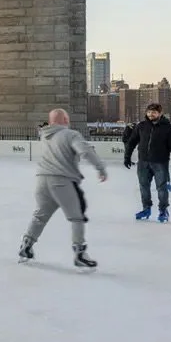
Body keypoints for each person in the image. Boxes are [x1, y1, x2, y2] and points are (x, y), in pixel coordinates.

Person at [19, 108, 107, 269]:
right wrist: (100, 168)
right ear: (65, 120)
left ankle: (26, 244)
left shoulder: (44, 136)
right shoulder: (71, 135)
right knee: (77, 217)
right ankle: (80, 253)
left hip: (42, 181)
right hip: (62, 181)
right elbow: (85, 151)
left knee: (40, 216)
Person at [124, 102, 171, 222]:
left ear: (160, 113)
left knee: (162, 188)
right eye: (149, 112)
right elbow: (132, 142)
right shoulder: (141, 126)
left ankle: (163, 210)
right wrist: (127, 157)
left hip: (160, 162)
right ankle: (146, 208)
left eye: (154, 112)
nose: (150, 114)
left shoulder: (168, 128)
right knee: (144, 187)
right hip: (143, 162)